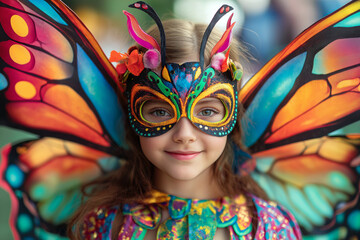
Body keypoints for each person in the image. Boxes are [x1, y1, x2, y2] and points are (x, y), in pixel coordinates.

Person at [67, 3, 302, 240]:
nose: (184, 134)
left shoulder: (268, 229)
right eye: (160, 111)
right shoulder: (104, 226)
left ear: (233, 116)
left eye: (207, 111)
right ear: (132, 113)